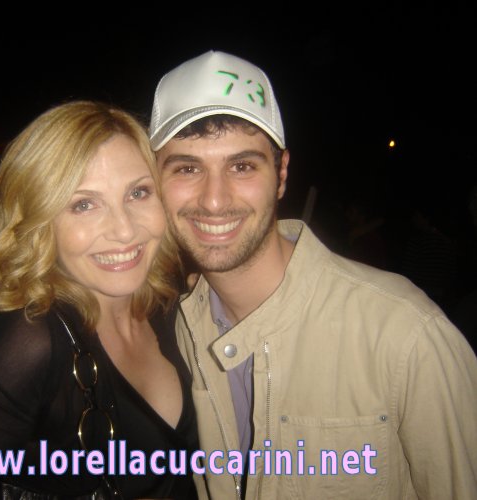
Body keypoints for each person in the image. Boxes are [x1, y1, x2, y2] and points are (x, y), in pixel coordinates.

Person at [149, 50, 477, 499]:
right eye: (188, 168)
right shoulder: (183, 331)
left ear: (281, 174)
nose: (214, 199)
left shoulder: (404, 334)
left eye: (242, 166)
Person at [0, 100, 199, 499]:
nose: (124, 230)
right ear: (40, 220)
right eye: (83, 204)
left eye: (138, 192)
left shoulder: (172, 309)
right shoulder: (29, 342)